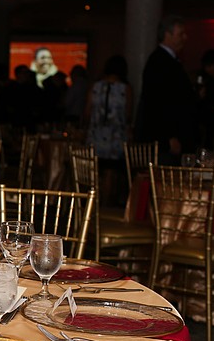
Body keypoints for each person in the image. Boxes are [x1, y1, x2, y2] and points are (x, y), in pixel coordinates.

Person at [136, 15, 198, 164]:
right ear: (167, 35)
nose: (185, 38)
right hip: (166, 143)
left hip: (172, 139)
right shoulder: (159, 62)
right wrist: (167, 138)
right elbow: (156, 102)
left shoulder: (169, 61)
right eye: (180, 34)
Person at [85, 55, 132, 206]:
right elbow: (128, 114)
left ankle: (93, 202)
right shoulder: (125, 88)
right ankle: (105, 204)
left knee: (94, 171)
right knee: (111, 172)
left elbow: (87, 111)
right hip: (115, 137)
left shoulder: (96, 87)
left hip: (96, 135)